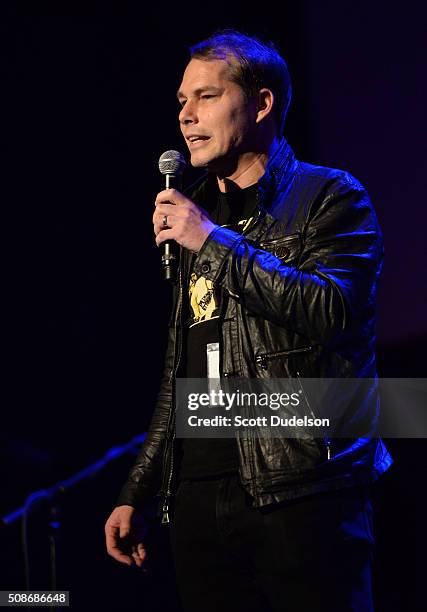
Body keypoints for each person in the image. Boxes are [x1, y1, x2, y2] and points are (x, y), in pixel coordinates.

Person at [105, 29, 392, 611]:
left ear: (261, 104)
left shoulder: (330, 197)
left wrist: (211, 242)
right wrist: (140, 485)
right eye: (181, 101)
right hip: (198, 499)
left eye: (206, 97)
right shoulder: (197, 211)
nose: (185, 116)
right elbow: (179, 365)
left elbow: (332, 311)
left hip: (300, 489)